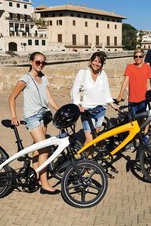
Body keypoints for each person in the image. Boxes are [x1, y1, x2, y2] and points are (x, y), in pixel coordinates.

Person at [8, 51, 59, 195]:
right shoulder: (26, 79)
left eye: (43, 62)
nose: (41, 65)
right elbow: (12, 98)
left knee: (37, 150)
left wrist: (60, 110)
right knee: (45, 149)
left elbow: (49, 98)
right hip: (32, 118)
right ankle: (45, 184)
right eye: (38, 62)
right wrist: (14, 116)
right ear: (31, 62)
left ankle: (35, 177)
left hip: (44, 116)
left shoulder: (43, 78)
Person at [71, 51, 119, 149]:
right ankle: (85, 162)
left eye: (99, 62)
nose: (96, 64)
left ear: (102, 64)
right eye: (95, 61)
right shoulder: (83, 73)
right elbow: (75, 89)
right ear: (91, 61)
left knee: (95, 138)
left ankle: (89, 159)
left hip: (101, 109)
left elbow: (106, 90)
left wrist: (111, 104)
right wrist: (77, 104)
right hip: (87, 110)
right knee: (90, 140)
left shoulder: (103, 74)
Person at [117, 48, 151, 115]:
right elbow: (126, 81)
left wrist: (149, 95)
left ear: (143, 57)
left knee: (141, 121)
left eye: (140, 56)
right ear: (133, 57)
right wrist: (120, 95)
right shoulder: (130, 67)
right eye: (136, 56)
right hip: (132, 99)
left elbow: (148, 82)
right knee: (132, 121)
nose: (138, 58)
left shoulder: (147, 67)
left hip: (143, 99)